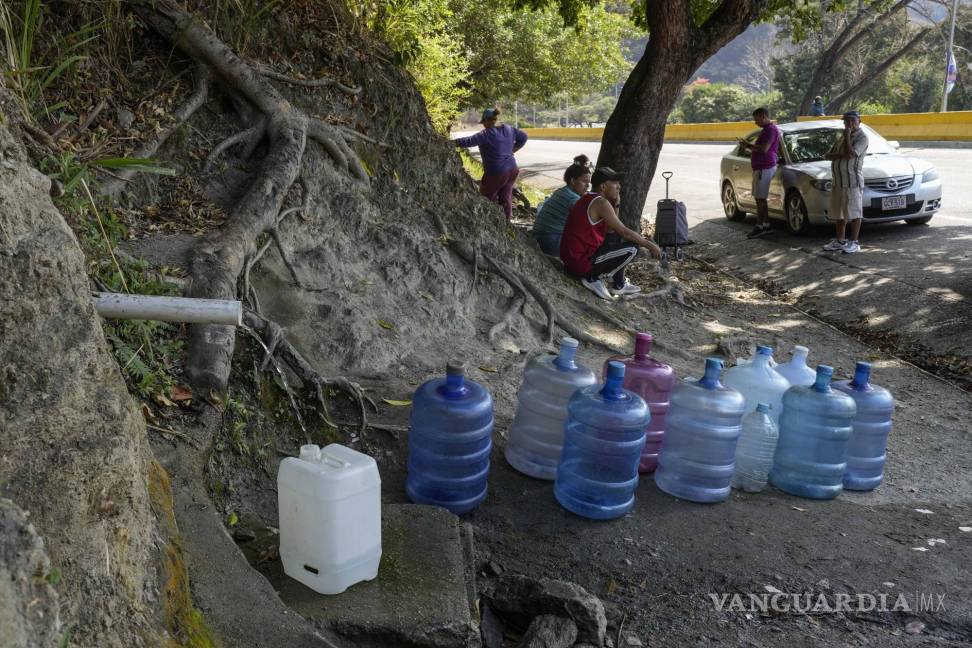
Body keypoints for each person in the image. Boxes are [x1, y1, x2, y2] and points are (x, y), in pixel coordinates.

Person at [559, 167, 662, 301]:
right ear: (603, 186)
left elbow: (611, 231)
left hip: (572, 261)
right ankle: (593, 278)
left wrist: (617, 204)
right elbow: (625, 232)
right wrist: (651, 245)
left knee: (615, 238)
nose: (619, 186)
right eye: (615, 183)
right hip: (580, 264)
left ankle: (619, 284)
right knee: (632, 248)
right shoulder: (601, 202)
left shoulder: (590, 198)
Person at [453, 107, 528, 222]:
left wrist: (451, 142)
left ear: (488, 120)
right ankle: (506, 223)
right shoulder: (509, 129)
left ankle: (485, 221)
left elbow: (468, 141)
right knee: (506, 197)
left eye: (483, 122)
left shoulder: (486, 134)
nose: (483, 125)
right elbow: (524, 137)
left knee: (486, 196)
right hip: (512, 169)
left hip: (497, 172)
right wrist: (512, 150)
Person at [823, 110, 869, 254]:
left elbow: (851, 154)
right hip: (838, 181)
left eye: (852, 120)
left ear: (859, 121)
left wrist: (848, 137)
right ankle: (840, 240)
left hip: (852, 181)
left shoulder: (862, 137)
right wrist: (840, 154)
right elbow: (828, 155)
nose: (848, 124)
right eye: (846, 121)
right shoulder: (841, 137)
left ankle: (854, 242)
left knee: (854, 212)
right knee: (839, 213)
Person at [736, 107, 781, 239]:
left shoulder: (770, 130)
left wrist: (748, 145)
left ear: (763, 116)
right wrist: (750, 149)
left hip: (764, 167)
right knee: (759, 198)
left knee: (760, 199)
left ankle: (760, 226)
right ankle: (766, 224)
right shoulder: (767, 130)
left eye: (756, 119)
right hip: (762, 166)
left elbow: (765, 149)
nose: (755, 122)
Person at [533, 155, 592, 256]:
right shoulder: (573, 199)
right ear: (573, 181)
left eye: (589, 182)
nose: (587, 186)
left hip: (541, 236)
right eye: (584, 182)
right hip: (550, 240)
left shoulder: (563, 191)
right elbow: (587, 222)